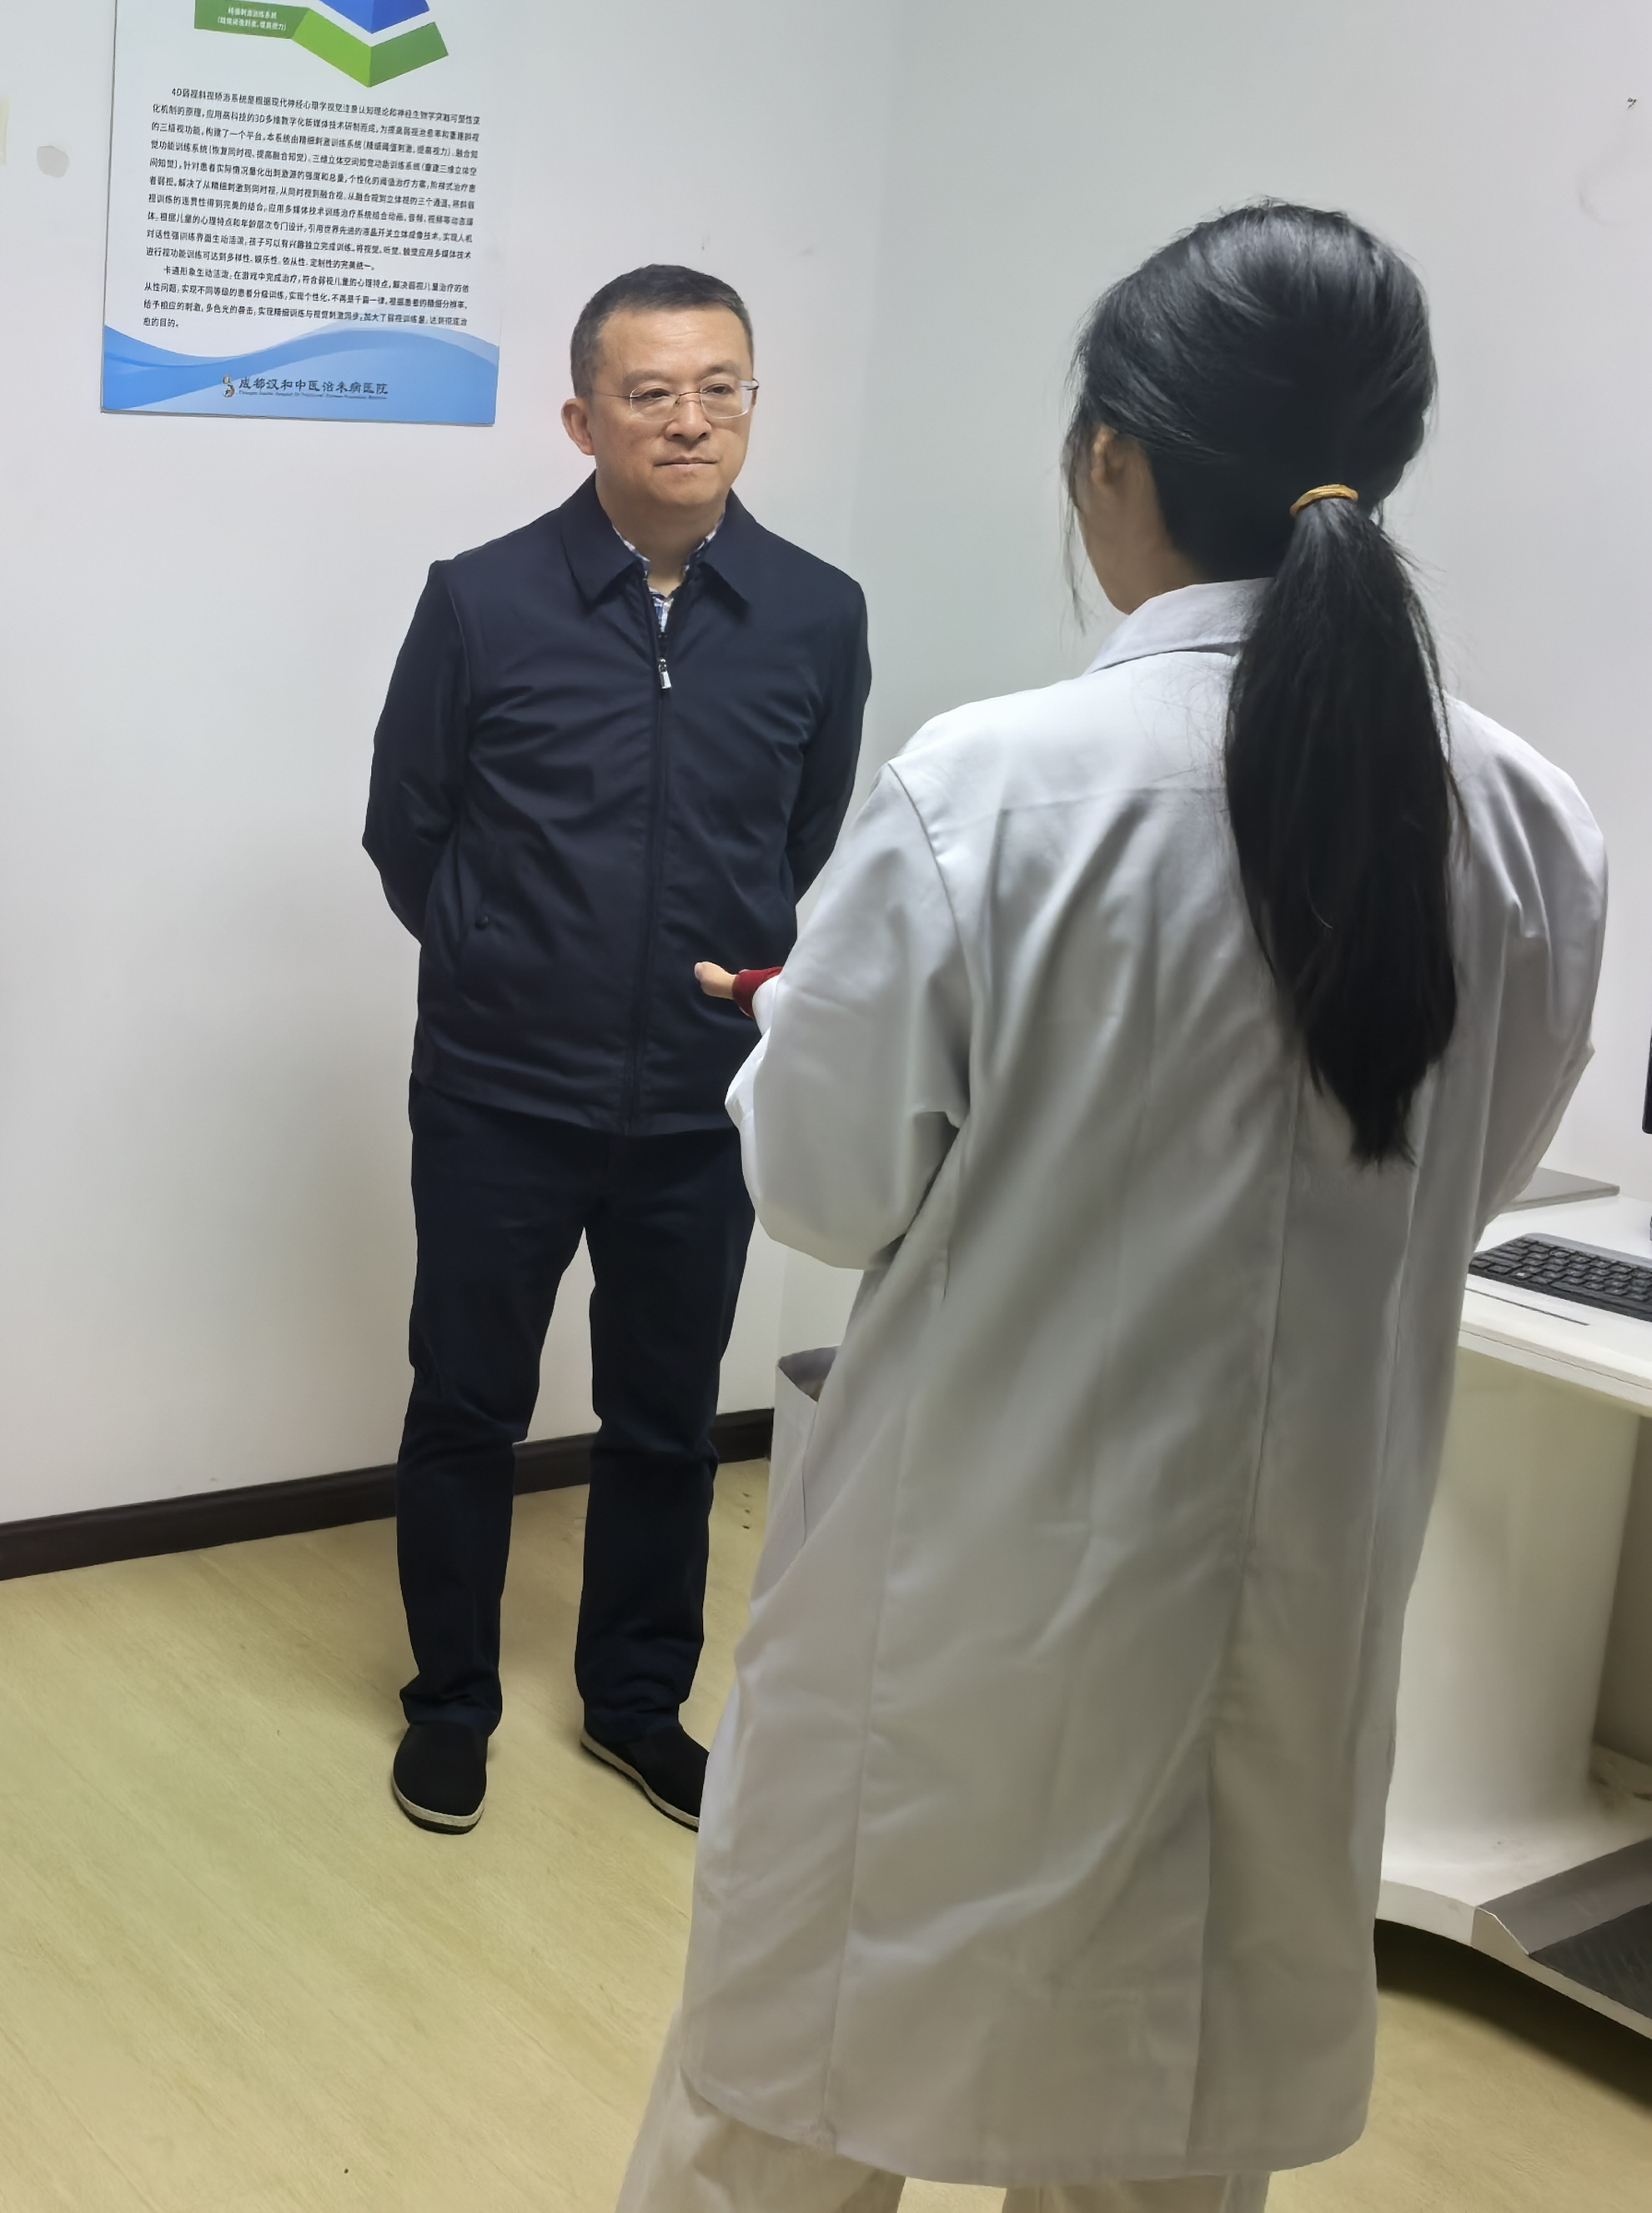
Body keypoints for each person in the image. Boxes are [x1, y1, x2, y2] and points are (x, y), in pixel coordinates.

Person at [624, 203, 1605, 2210]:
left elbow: (819, 1188)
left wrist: (809, 1024)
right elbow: (1463, 1173)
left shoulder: (988, 793)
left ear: (1108, 463)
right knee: (1162, 2140)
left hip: (958, 1628)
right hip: (1286, 1625)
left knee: (786, 2120)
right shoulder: (1522, 819)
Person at [363, 266, 870, 1836]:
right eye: (651, 393)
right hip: (499, 1094)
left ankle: (638, 1703)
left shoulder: (814, 613)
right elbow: (406, 830)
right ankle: (450, 1701)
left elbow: (804, 835)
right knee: (467, 1405)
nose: (690, 420)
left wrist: (721, 983)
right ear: (585, 419)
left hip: (704, 1101)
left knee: (666, 1421)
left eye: (722, 388)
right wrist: (505, 958)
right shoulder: (483, 600)